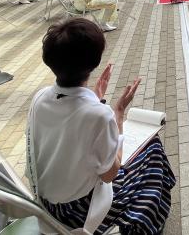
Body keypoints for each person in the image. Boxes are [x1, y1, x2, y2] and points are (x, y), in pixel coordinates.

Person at [27, 19, 175, 234]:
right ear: (94, 62)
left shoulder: (40, 97)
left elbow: (68, 130)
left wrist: (96, 99)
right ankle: (149, 223)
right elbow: (110, 175)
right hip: (82, 210)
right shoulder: (98, 115)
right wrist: (119, 113)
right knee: (152, 148)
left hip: (47, 203)